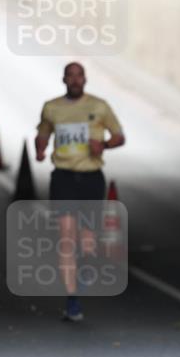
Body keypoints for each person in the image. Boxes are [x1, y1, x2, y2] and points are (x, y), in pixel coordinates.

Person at [35, 62, 125, 321]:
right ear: (64, 79)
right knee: (66, 239)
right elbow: (42, 133)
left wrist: (105, 145)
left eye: (79, 76)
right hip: (62, 177)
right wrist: (40, 148)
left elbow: (120, 136)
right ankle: (72, 300)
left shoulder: (99, 106)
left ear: (85, 79)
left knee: (86, 242)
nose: (75, 80)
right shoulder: (51, 108)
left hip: (90, 179)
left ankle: (82, 270)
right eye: (70, 76)